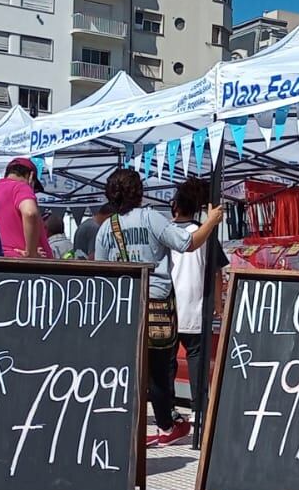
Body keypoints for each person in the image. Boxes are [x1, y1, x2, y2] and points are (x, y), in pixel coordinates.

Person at [95, 169, 225, 446]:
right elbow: (188, 243)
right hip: (156, 305)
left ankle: (124, 424)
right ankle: (166, 423)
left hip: (123, 306)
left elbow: (100, 271)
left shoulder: (108, 227)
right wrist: (211, 221)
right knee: (158, 370)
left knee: (129, 368)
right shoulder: (151, 218)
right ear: (138, 192)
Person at [168, 179, 228, 447]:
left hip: (168, 309)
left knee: (166, 365)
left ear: (175, 206)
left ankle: (169, 416)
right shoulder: (204, 233)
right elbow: (216, 270)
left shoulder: (165, 232)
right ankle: (199, 414)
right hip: (195, 307)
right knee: (197, 365)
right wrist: (218, 303)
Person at [0, 157, 51, 258]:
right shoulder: (21, 187)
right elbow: (30, 212)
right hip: (23, 266)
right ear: (31, 176)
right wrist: (31, 252)